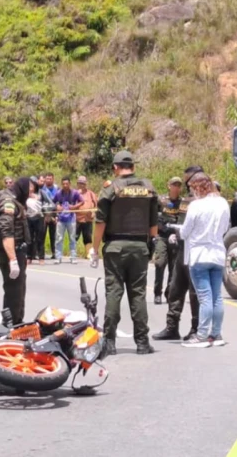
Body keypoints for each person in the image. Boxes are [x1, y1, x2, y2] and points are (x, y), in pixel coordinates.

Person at [89, 151, 158, 356]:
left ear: (115, 168)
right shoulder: (148, 188)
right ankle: (143, 343)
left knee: (114, 293)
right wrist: (152, 243)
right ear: (133, 167)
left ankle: (109, 342)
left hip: (115, 247)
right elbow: (153, 222)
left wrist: (94, 248)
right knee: (138, 294)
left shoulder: (111, 189)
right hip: (140, 247)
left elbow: (100, 221)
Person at [153, 165, 204, 342]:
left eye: (188, 180)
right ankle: (171, 327)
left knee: (194, 292)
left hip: (195, 251)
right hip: (181, 248)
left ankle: (196, 328)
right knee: (175, 289)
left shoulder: (201, 200)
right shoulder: (186, 200)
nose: (186, 184)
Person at [179, 172, 230, 348]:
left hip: (199, 254)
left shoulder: (196, 206)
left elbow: (185, 232)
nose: (192, 192)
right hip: (217, 254)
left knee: (205, 298)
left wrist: (178, 233)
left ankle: (201, 335)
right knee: (217, 297)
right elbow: (225, 228)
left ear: (198, 188)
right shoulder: (223, 203)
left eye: (193, 188)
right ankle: (216, 334)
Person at [0, 177, 31, 323]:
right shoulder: (8, 202)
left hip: (16, 252)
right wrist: (13, 259)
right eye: (30, 189)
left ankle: (17, 323)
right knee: (13, 293)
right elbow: (6, 231)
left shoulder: (14, 201)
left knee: (18, 291)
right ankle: (11, 326)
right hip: (11, 253)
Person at [152, 177, 184, 305]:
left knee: (173, 268)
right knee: (160, 263)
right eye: (174, 185)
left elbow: (183, 219)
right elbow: (154, 217)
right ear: (168, 186)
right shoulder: (161, 201)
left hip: (175, 237)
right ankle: (157, 293)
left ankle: (169, 293)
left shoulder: (182, 202)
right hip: (162, 236)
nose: (176, 187)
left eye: (178, 185)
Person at [53, 177, 83, 264]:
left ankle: (73, 257)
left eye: (67, 184)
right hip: (61, 219)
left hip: (71, 218)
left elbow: (82, 201)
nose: (65, 185)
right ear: (62, 184)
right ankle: (58, 257)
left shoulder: (75, 193)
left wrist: (74, 207)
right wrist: (57, 207)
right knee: (59, 238)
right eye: (63, 184)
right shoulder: (58, 193)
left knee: (72, 238)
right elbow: (53, 202)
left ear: (70, 184)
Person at [75, 176, 97, 257]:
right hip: (77, 219)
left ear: (86, 184)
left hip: (88, 219)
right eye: (80, 183)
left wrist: (94, 212)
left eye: (83, 184)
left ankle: (88, 254)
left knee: (88, 237)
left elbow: (96, 205)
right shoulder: (74, 193)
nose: (81, 185)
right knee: (74, 236)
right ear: (77, 184)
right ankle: (73, 253)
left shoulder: (91, 194)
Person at [26, 177, 44, 264]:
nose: (30, 186)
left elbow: (50, 203)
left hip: (38, 217)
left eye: (32, 185)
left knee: (39, 238)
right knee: (29, 238)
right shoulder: (24, 195)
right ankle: (29, 257)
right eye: (29, 185)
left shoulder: (40, 193)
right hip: (28, 218)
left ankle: (41, 257)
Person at [41, 173, 59, 260]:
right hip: (44, 215)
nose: (48, 180)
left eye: (50, 178)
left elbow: (59, 202)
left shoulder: (57, 188)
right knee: (42, 235)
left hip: (53, 215)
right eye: (47, 178)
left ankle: (54, 253)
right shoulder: (41, 189)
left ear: (53, 179)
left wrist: (57, 215)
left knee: (54, 235)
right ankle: (41, 253)